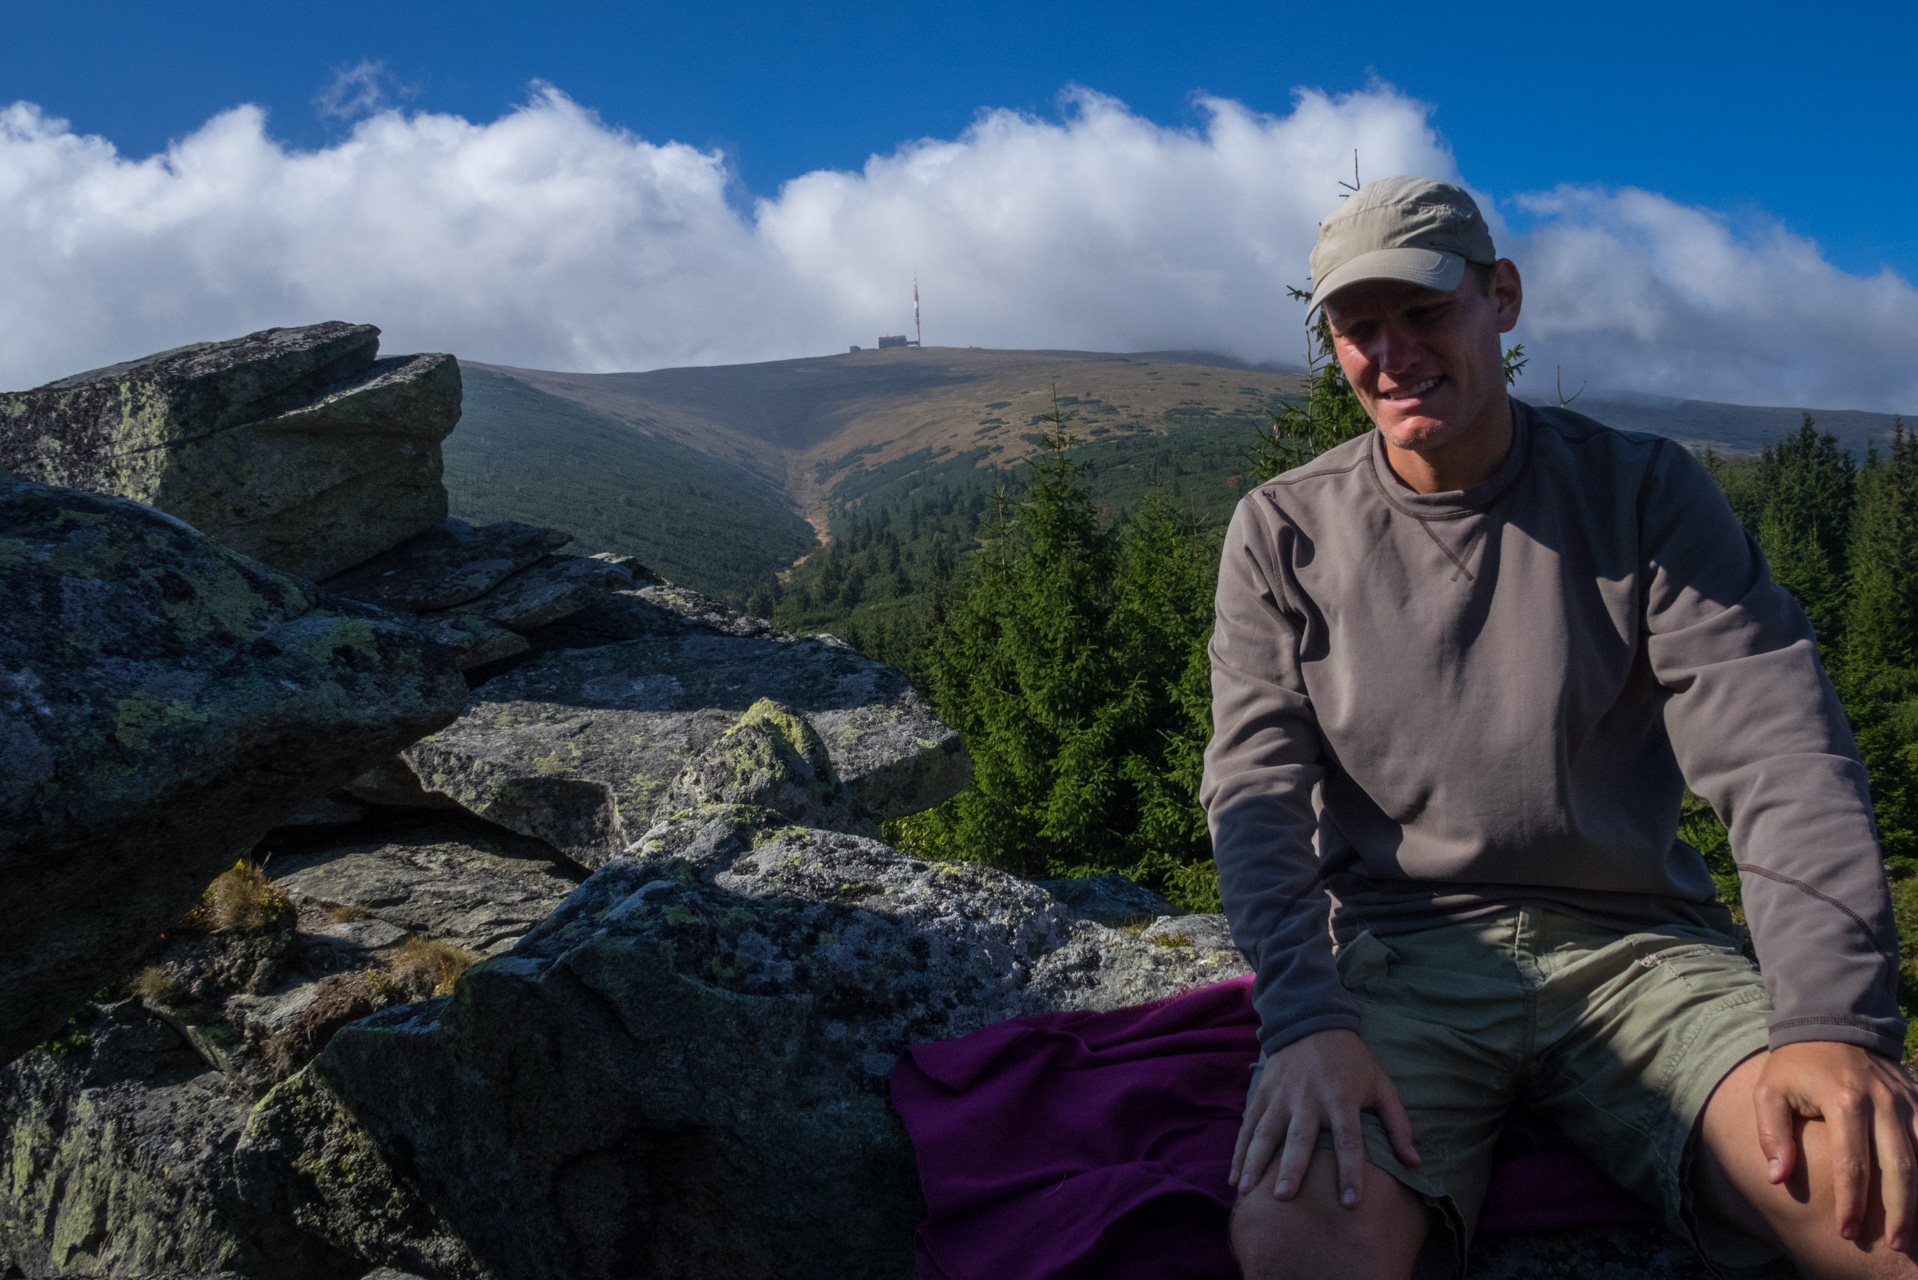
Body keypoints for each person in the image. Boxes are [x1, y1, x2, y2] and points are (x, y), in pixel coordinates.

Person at [1201, 174, 1918, 1279]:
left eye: (1425, 312)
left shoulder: (1642, 493)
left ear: (1502, 297)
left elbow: (1778, 747)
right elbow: (1253, 792)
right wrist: (1305, 1021)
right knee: (1298, 1232)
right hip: (1399, 954)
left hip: (1644, 951)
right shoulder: (1281, 532)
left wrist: (1832, 1020)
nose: (1390, 354)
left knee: (1872, 1200)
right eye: (1357, 327)